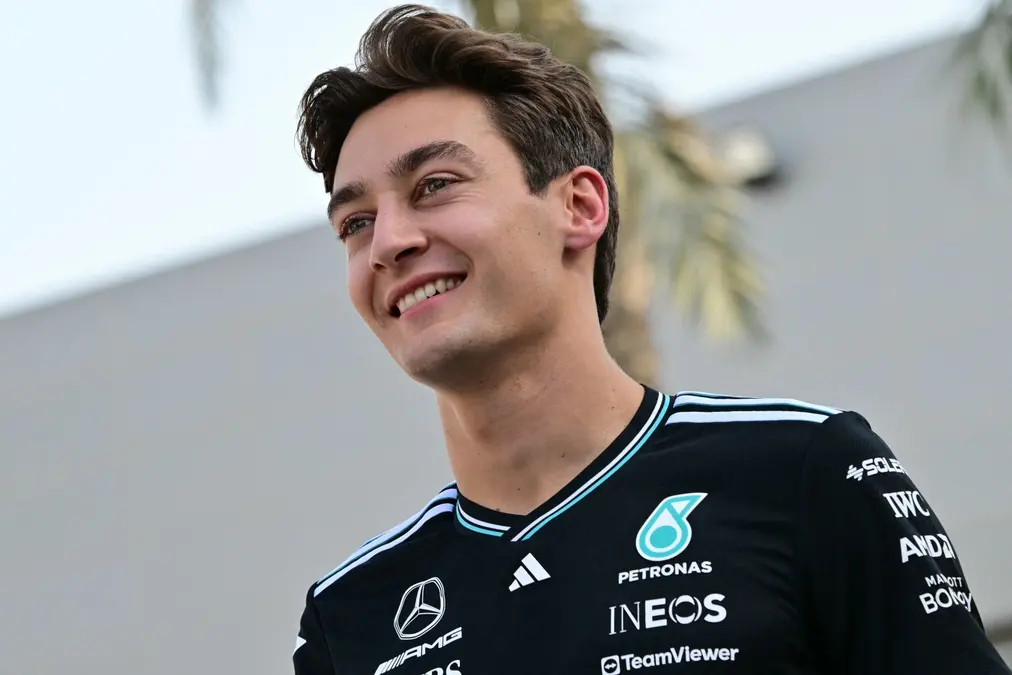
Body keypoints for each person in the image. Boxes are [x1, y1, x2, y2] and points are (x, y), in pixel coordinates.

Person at [291, 4, 1011, 674]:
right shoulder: (349, 617)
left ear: (580, 206)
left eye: (435, 184)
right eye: (355, 223)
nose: (388, 242)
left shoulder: (806, 471)